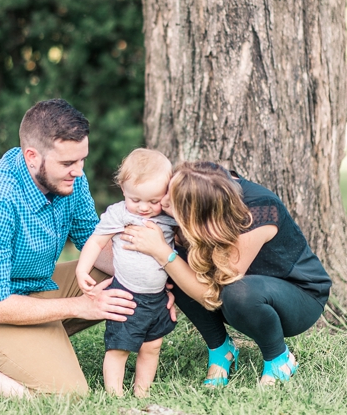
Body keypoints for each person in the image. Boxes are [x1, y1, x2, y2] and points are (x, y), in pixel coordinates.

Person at [0, 99, 147, 397]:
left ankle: (34, 344)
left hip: (33, 288)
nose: (78, 172)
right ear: (31, 157)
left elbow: (93, 240)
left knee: (129, 279)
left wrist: (152, 278)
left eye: (82, 160)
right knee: (67, 392)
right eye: (67, 164)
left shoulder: (69, 179)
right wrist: (81, 306)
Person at [124, 161, 331, 386]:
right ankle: (221, 350)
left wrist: (162, 252)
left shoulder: (258, 212)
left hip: (299, 297)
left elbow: (213, 293)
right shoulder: (201, 185)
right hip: (241, 290)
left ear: (200, 215)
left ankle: (279, 358)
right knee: (173, 265)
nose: (163, 202)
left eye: (171, 204)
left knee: (236, 292)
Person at [75, 148, 177, 397]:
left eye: (153, 201)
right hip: (126, 295)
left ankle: (142, 391)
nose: (144, 208)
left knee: (151, 347)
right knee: (119, 347)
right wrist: (82, 268)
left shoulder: (169, 217)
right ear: (123, 190)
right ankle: (114, 393)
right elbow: (97, 241)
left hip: (157, 298)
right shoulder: (120, 214)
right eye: (136, 200)